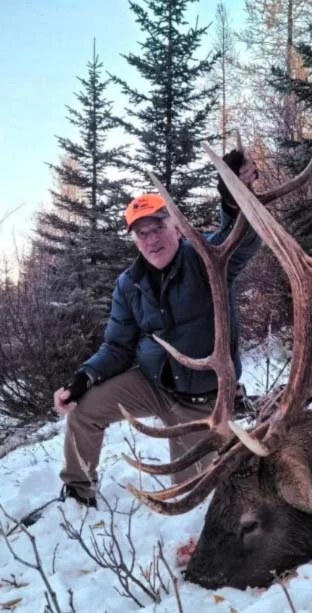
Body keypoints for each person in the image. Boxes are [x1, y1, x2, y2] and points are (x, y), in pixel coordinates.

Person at [54, 151, 259, 508]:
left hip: (203, 402)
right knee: (84, 409)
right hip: (154, 384)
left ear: (177, 227)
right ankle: (77, 490)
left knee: (189, 498)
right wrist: (84, 377)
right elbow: (117, 346)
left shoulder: (207, 257)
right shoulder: (129, 283)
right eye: (141, 233)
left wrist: (233, 199)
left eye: (158, 228)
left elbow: (244, 237)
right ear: (134, 240)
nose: (151, 239)